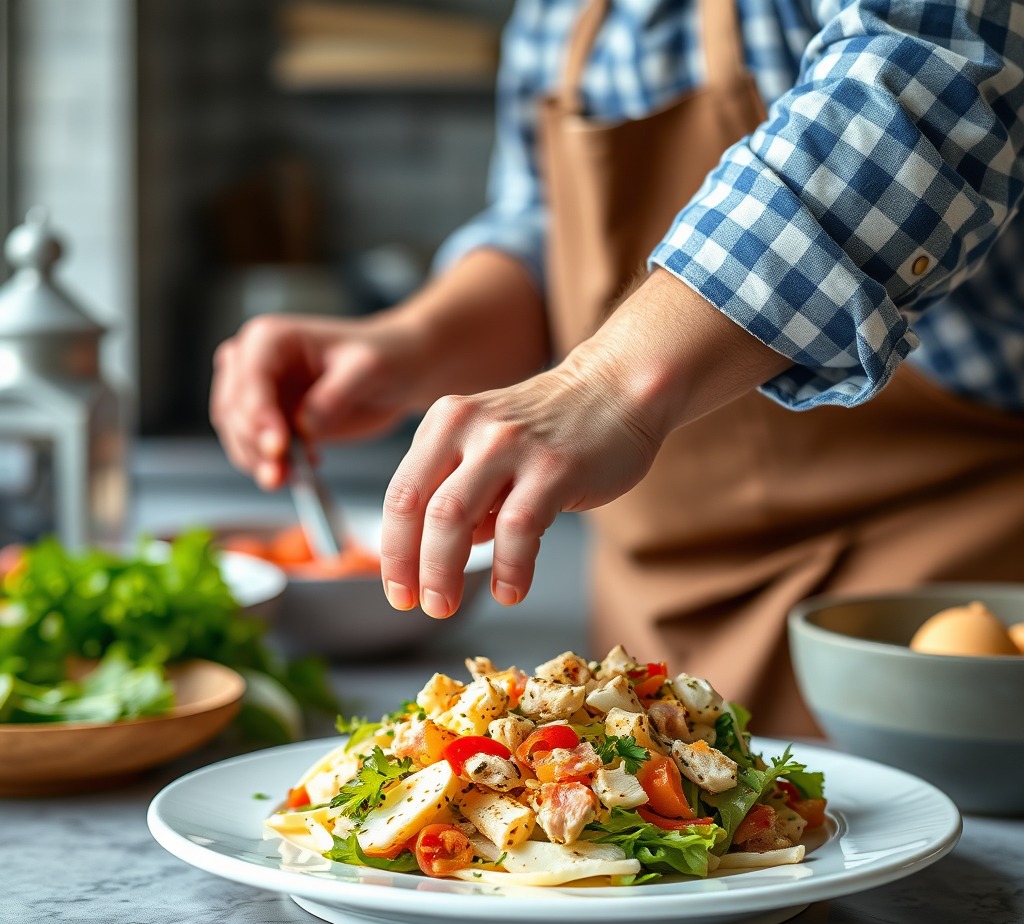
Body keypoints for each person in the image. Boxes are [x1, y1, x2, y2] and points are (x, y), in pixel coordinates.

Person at [211, 0, 1024, 736]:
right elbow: (545, 231)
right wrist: (408, 345)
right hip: (660, 617)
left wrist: (605, 382)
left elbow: (930, 77)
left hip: (939, 568)